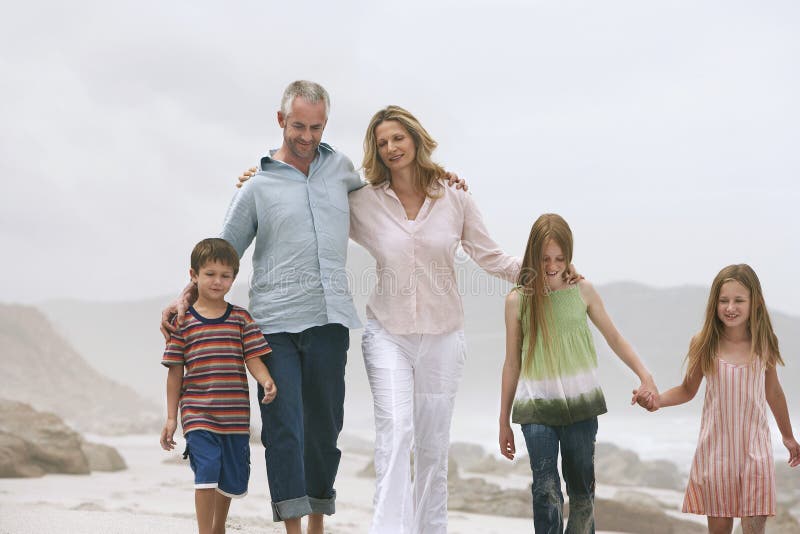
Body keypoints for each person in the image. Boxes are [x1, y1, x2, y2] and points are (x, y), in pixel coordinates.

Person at [347, 105, 522, 534]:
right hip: (387, 333)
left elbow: (490, 256)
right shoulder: (363, 201)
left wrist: (546, 272)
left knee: (432, 447)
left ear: (416, 139)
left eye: (397, 138)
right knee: (397, 430)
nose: (391, 148)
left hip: (443, 337)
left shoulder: (454, 197)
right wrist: (261, 177)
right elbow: (310, 207)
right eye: (382, 142)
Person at [498, 213, 658, 534]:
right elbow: (512, 362)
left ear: (569, 257)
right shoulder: (518, 300)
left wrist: (645, 375)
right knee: (545, 490)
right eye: (544, 258)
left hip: (581, 408)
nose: (552, 265)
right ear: (532, 255)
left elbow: (614, 336)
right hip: (537, 409)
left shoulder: (582, 291)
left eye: (559, 258)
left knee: (582, 495)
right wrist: (504, 421)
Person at [632, 264, 800, 534]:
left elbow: (774, 393)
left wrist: (788, 436)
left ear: (755, 302)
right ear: (714, 303)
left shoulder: (765, 342)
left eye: (738, 300)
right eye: (723, 300)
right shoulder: (704, 342)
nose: (730, 307)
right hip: (717, 455)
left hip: (755, 453)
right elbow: (687, 390)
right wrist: (656, 401)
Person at [160, 238, 276, 534]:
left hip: (235, 419)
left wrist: (265, 380)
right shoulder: (182, 322)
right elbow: (175, 374)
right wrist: (172, 417)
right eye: (209, 274)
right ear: (193, 275)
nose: (217, 281)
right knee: (207, 471)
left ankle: (217, 527)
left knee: (230, 480)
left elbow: (253, 357)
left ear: (233, 279)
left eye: (225, 276)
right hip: (198, 414)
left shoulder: (241, 319)